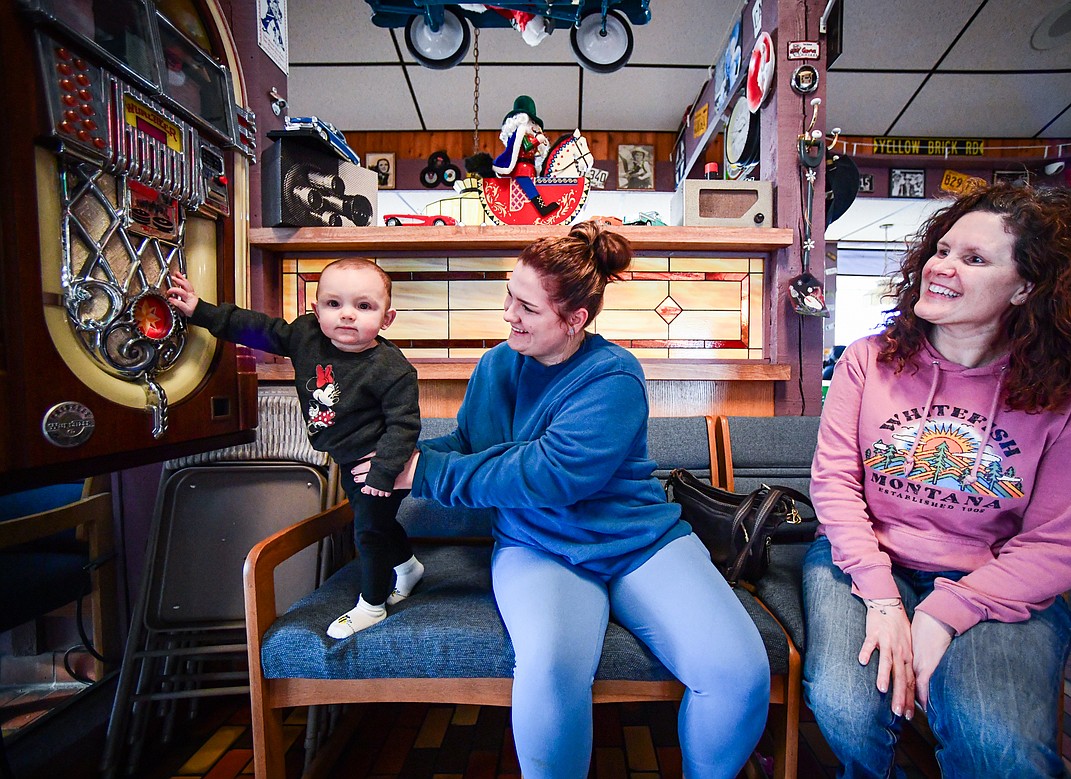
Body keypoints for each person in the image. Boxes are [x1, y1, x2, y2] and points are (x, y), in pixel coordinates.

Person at [356, 221, 770, 779]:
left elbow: (551, 474)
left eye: (526, 306)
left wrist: (423, 472)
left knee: (738, 673)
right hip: (539, 547)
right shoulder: (497, 365)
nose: (508, 313)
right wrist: (391, 460)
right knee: (550, 669)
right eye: (510, 293)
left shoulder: (612, 376)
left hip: (639, 545)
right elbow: (470, 444)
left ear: (575, 319)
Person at [803, 181, 1071, 778]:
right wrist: (882, 597)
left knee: (997, 745)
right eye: (944, 249)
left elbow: (1063, 543)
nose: (942, 267)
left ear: (1029, 286)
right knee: (847, 708)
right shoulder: (868, 360)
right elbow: (834, 484)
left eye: (974, 259)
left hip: (997, 580)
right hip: (863, 559)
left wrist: (941, 613)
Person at [167, 259, 423, 639]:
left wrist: (383, 473)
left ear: (387, 318)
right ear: (315, 309)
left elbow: (404, 425)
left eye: (364, 306)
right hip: (345, 458)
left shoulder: (392, 368)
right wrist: (199, 310)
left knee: (369, 531)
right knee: (375, 523)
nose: (347, 315)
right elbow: (257, 328)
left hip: (381, 464)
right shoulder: (305, 335)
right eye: (334, 304)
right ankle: (409, 567)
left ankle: (372, 606)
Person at [493, 95, 559, 216]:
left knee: (533, 185)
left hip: (530, 167)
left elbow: (535, 152)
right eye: (532, 121)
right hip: (521, 169)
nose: (534, 125)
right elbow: (527, 146)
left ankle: (537, 207)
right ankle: (541, 207)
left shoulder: (530, 134)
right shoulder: (521, 134)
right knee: (528, 186)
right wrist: (537, 140)